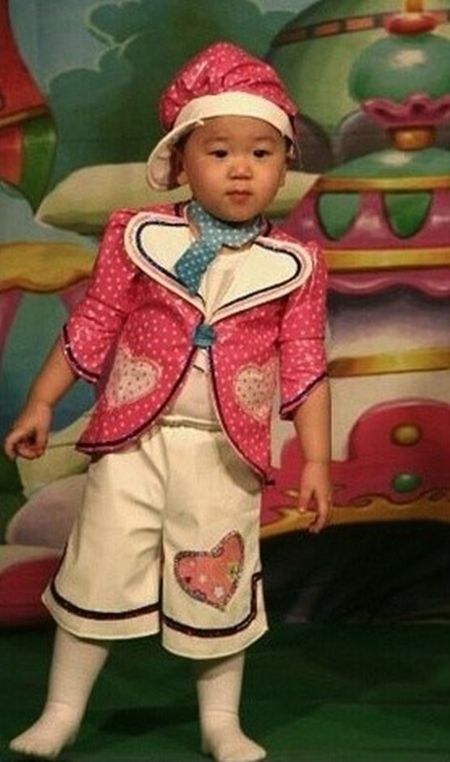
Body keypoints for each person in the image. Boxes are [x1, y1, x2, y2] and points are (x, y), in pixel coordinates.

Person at [4, 41, 331, 762]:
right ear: (181, 161)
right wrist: (41, 401)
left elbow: (307, 363)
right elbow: (93, 324)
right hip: (133, 443)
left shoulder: (295, 264)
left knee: (218, 582)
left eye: (261, 153)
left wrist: (314, 459)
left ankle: (221, 722)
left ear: (284, 163)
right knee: (98, 567)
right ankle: (60, 711)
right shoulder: (140, 235)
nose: (241, 169)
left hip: (224, 453)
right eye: (219, 152)